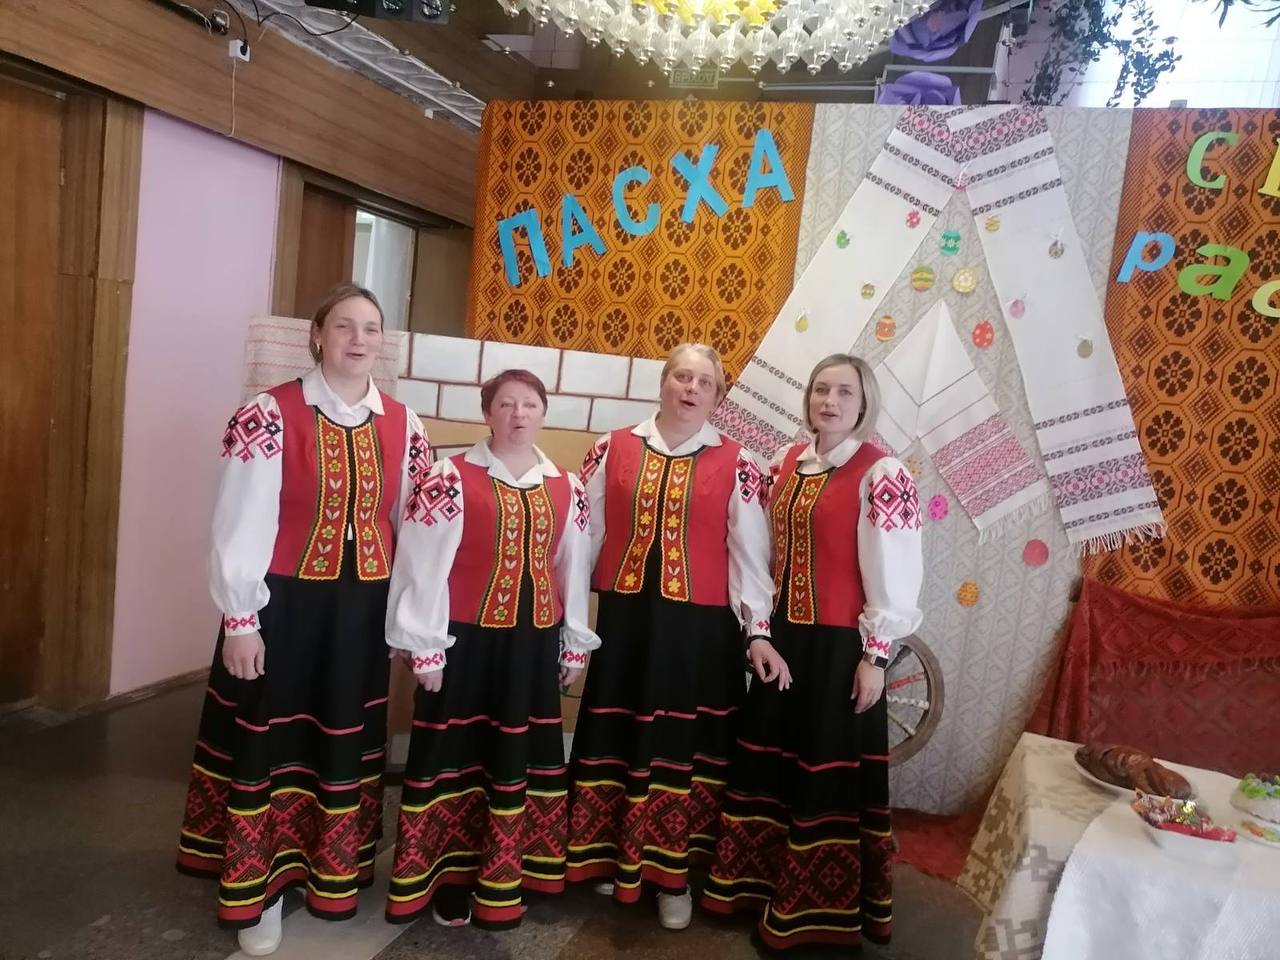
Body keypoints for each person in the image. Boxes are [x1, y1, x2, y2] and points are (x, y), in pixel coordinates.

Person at [176, 283, 429, 957]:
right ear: (317, 335)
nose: (358, 339)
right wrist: (241, 619)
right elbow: (240, 518)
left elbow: (413, 530)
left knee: (341, 737)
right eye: (344, 326)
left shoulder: (406, 425)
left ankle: (327, 868)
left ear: (382, 341)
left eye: (370, 328)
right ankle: (257, 888)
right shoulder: (270, 413)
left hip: (361, 613)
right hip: (283, 607)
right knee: (272, 737)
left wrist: (410, 622)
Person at [700, 353, 924, 951]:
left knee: (825, 774)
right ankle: (756, 888)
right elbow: (756, 553)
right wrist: (758, 630)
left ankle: (813, 912)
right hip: (785, 643)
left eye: (845, 392)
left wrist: (876, 656)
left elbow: (894, 573)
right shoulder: (784, 463)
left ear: (864, 402)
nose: (830, 401)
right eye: (821, 389)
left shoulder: (883, 474)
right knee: (770, 765)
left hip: (841, 649)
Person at [565, 342, 787, 930]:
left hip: (700, 635)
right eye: (682, 377)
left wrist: (757, 631)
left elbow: (749, 556)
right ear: (663, 383)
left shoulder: (738, 462)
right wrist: (569, 619)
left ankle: (674, 877)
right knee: (620, 736)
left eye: (704, 382)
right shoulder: (611, 448)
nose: (691, 389)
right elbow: (584, 538)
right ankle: (613, 856)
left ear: (717, 396)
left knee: (683, 750)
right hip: (627, 625)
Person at [384, 369, 597, 930]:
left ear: (543, 413)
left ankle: (509, 870)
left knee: (517, 758)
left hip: (532, 646)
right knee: (456, 757)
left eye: (529, 404)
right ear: (487, 414)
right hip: (465, 644)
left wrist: (574, 642)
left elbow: (572, 569)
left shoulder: (568, 487)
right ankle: (449, 879)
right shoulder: (449, 477)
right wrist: (425, 648)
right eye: (506, 404)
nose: (518, 414)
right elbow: (420, 566)